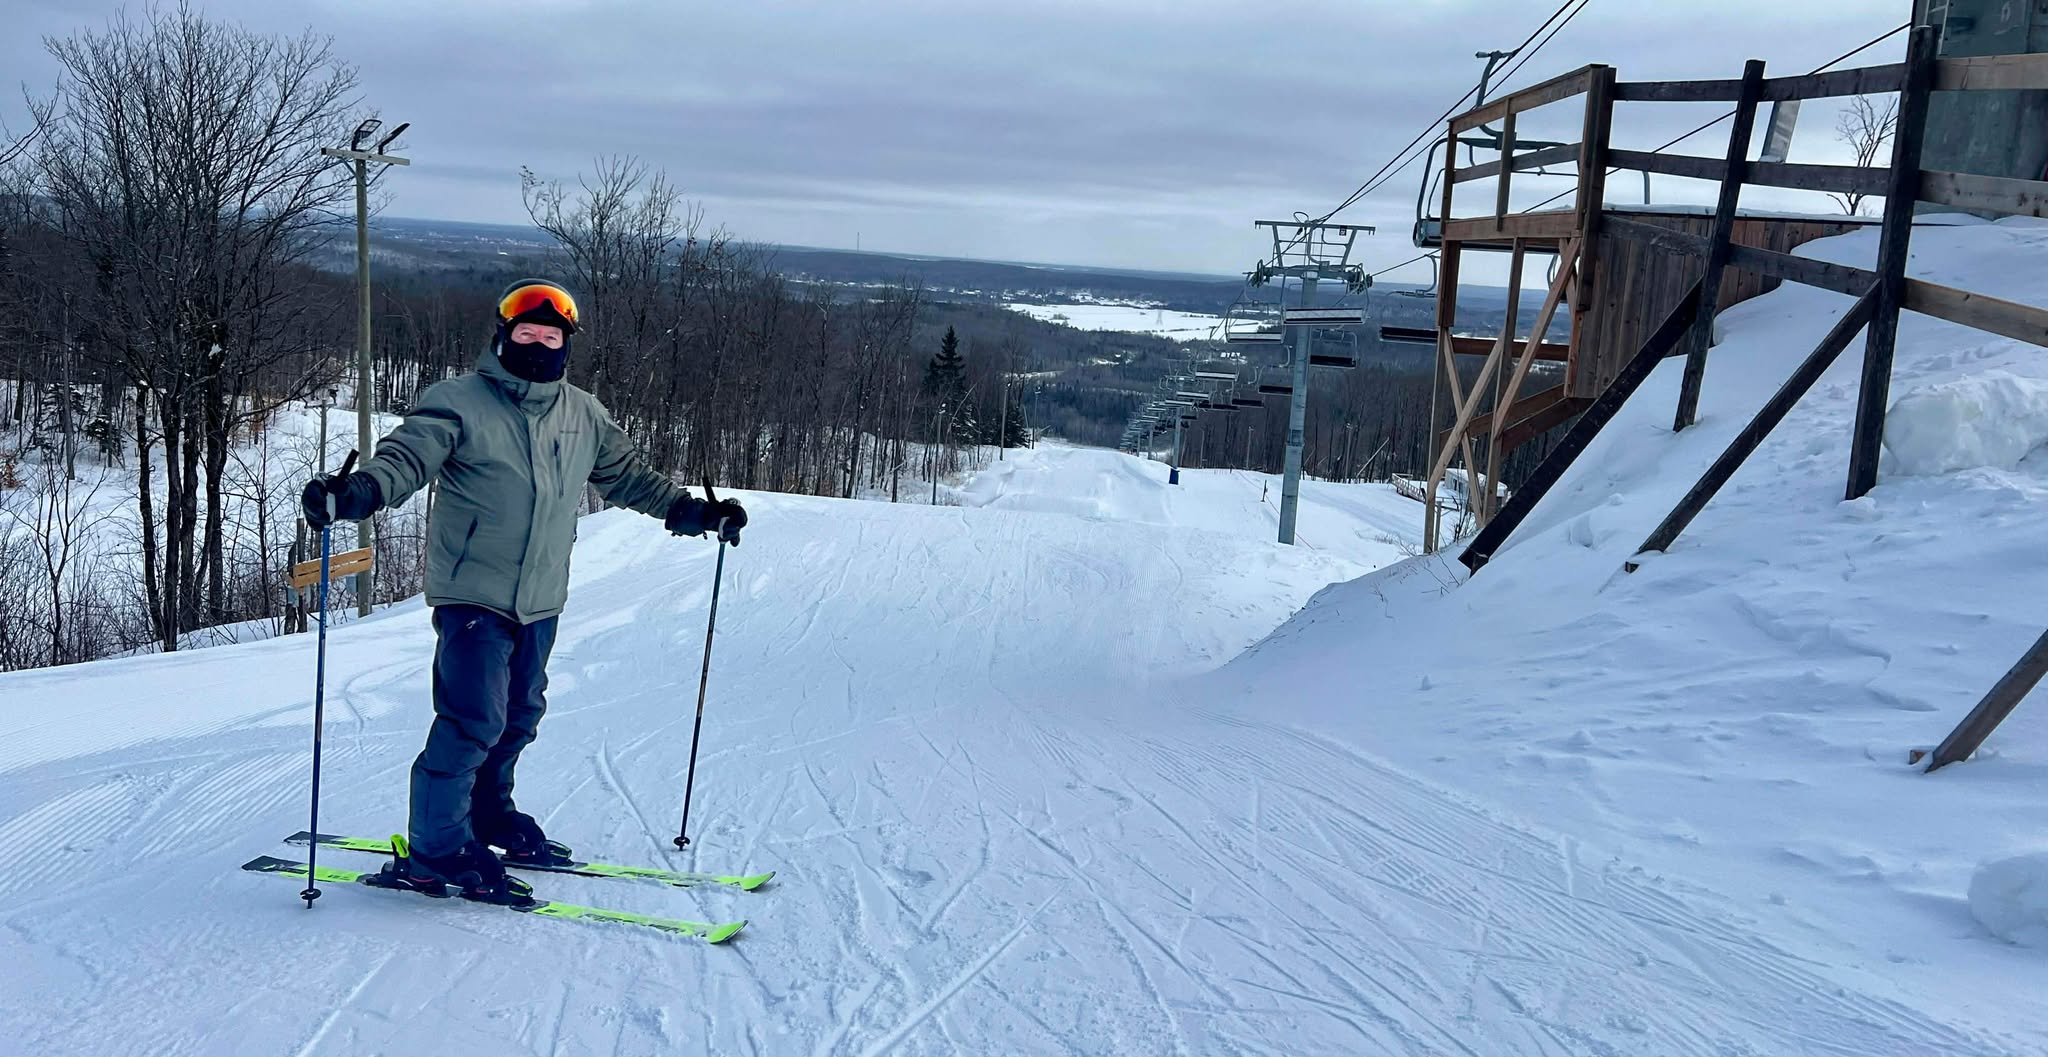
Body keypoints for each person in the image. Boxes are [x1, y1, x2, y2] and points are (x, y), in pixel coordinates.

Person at [301, 278, 745, 904]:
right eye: (526, 334)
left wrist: (694, 511)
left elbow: (628, 478)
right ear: (502, 337)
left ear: (566, 346)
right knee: (471, 720)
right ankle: (434, 852)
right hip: (472, 594)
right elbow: (406, 457)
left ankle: (485, 816)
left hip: (539, 598)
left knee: (517, 716)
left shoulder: (583, 414)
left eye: (551, 336)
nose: (538, 345)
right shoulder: (458, 402)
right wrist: (356, 494)